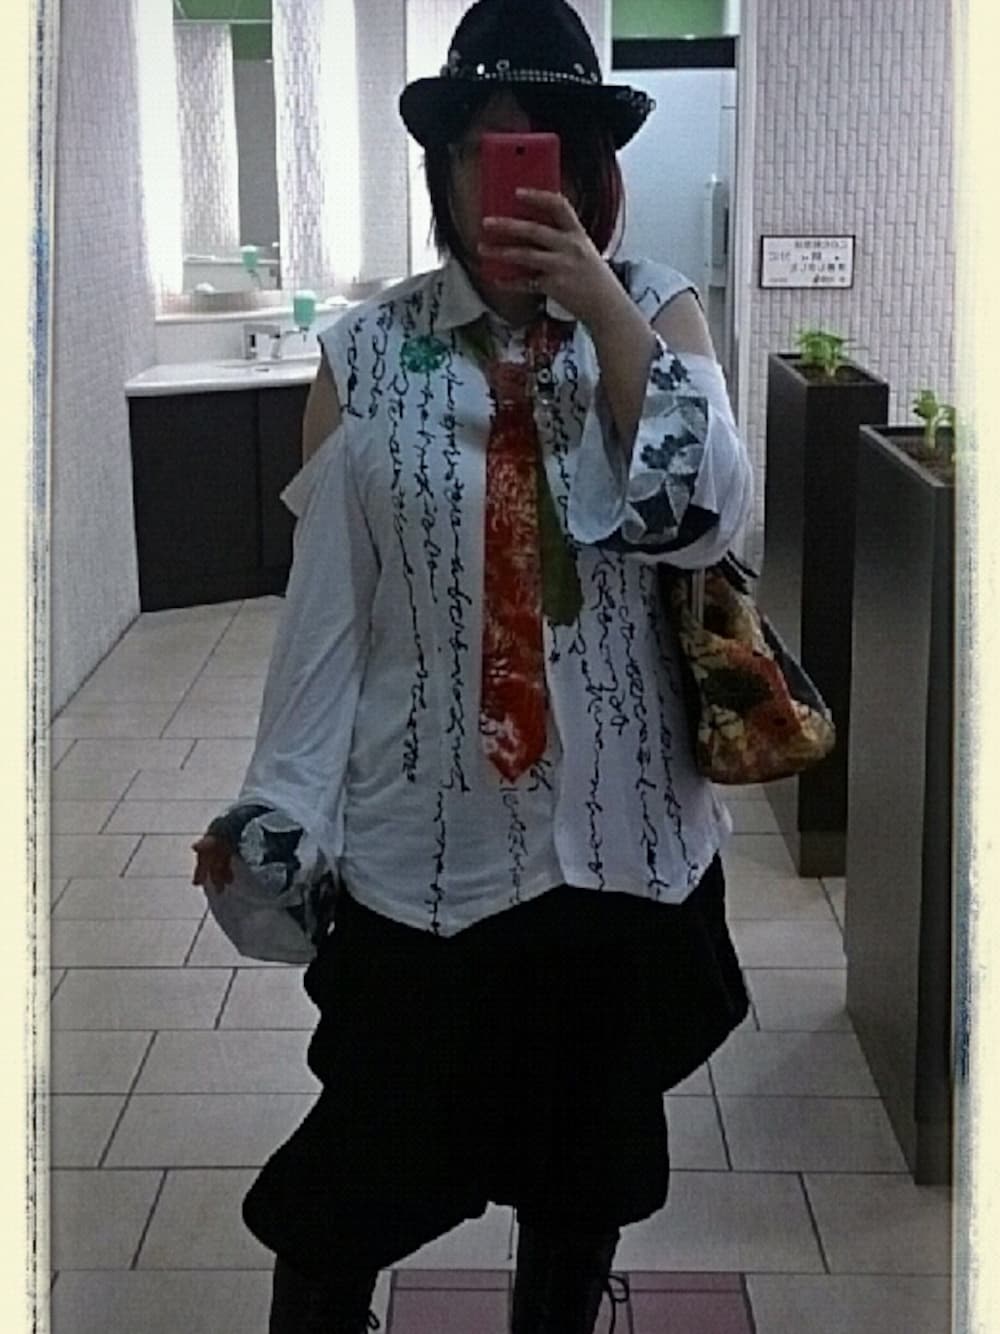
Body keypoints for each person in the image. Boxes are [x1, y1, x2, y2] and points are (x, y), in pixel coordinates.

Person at [192, 1, 753, 1330]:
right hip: (424, 865)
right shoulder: (364, 357)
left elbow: (703, 520)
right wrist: (280, 804)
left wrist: (601, 303)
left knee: (581, 1184)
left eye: (540, 146)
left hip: (616, 863)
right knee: (346, 1193)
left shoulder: (657, 313)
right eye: (479, 151)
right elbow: (328, 618)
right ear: (444, 170)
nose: (507, 181)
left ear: (591, 169)